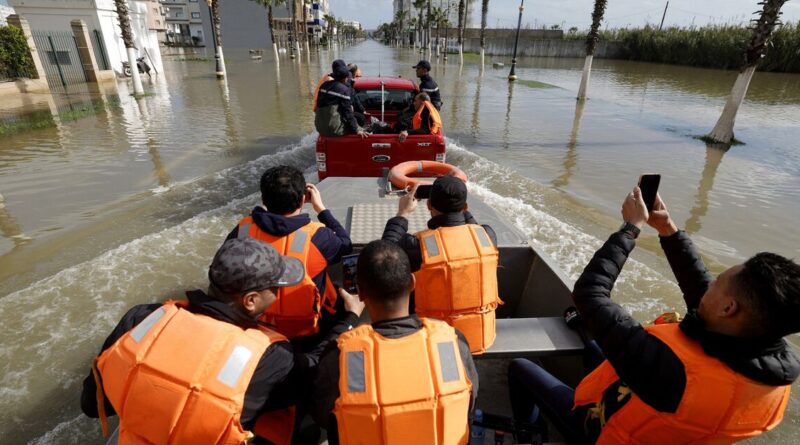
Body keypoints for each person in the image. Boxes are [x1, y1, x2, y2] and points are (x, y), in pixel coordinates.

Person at [508, 185, 800, 444]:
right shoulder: (768, 360)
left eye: (718, 282)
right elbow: (702, 292)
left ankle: (527, 433)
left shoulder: (673, 372)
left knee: (521, 367)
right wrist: (668, 230)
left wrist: (630, 228)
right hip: (660, 415)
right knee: (594, 344)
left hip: (601, 431)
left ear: (728, 309)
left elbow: (589, 293)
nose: (709, 287)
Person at [81, 237, 364, 444]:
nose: (279, 295)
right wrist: (350, 319)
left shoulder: (142, 317)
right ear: (251, 301)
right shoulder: (268, 357)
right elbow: (315, 370)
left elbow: (92, 406)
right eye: (275, 289)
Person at [310, 240, 479, 444]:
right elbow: (469, 399)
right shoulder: (452, 341)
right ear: (412, 284)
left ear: (361, 293)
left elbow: (322, 416)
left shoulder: (340, 356)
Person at [227, 165, 352, 340]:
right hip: (308, 332)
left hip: (256, 328)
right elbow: (346, 245)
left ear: (263, 199)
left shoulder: (243, 229)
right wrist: (321, 210)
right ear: (303, 200)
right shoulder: (318, 236)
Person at [382, 176, 501, 354]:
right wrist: (460, 206)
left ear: (429, 205)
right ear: (466, 207)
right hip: (480, 337)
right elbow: (471, 228)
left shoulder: (416, 245)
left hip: (435, 343)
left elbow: (383, 256)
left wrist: (403, 214)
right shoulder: (487, 236)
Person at [314, 63, 369, 138]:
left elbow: (319, 104)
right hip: (334, 130)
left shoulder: (324, 85)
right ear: (346, 77)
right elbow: (347, 113)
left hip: (319, 128)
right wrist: (357, 129)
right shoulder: (343, 90)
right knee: (361, 120)